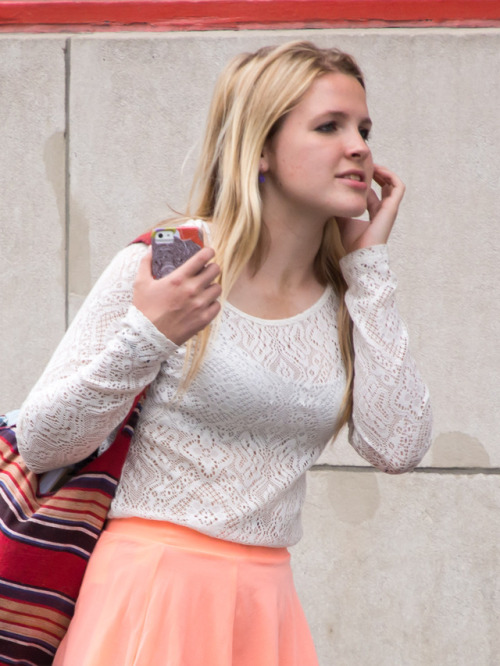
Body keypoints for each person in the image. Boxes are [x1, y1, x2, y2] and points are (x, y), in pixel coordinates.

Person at [17, 40, 432, 665]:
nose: (359, 147)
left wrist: (368, 267)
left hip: (267, 604)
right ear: (260, 149)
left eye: (363, 128)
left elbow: (397, 448)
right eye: (329, 126)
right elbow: (42, 441)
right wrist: (150, 334)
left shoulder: (347, 299)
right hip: (152, 592)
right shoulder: (170, 264)